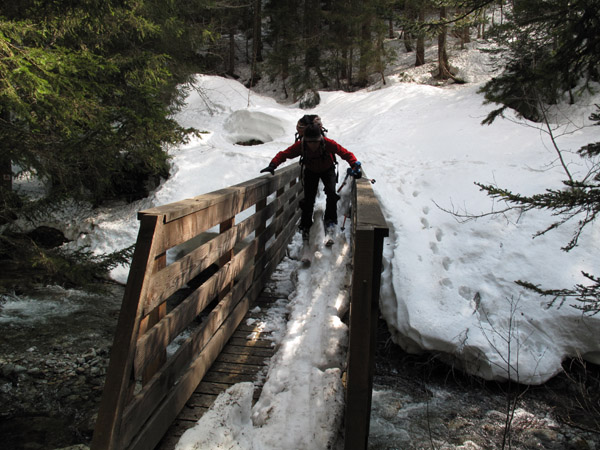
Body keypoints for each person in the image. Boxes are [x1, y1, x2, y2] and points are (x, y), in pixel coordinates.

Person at [260, 121, 361, 241]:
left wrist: (355, 165)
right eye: (310, 142)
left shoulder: (327, 143)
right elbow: (284, 154)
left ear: (320, 139)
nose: (313, 145)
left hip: (327, 169)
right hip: (311, 171)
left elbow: (344, 153)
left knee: (331, 193)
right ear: (305, 140)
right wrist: (273, 165)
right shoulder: (301, 145)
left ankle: (330, 221)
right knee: (308, 198)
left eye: (316, 142)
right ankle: (306, 225)